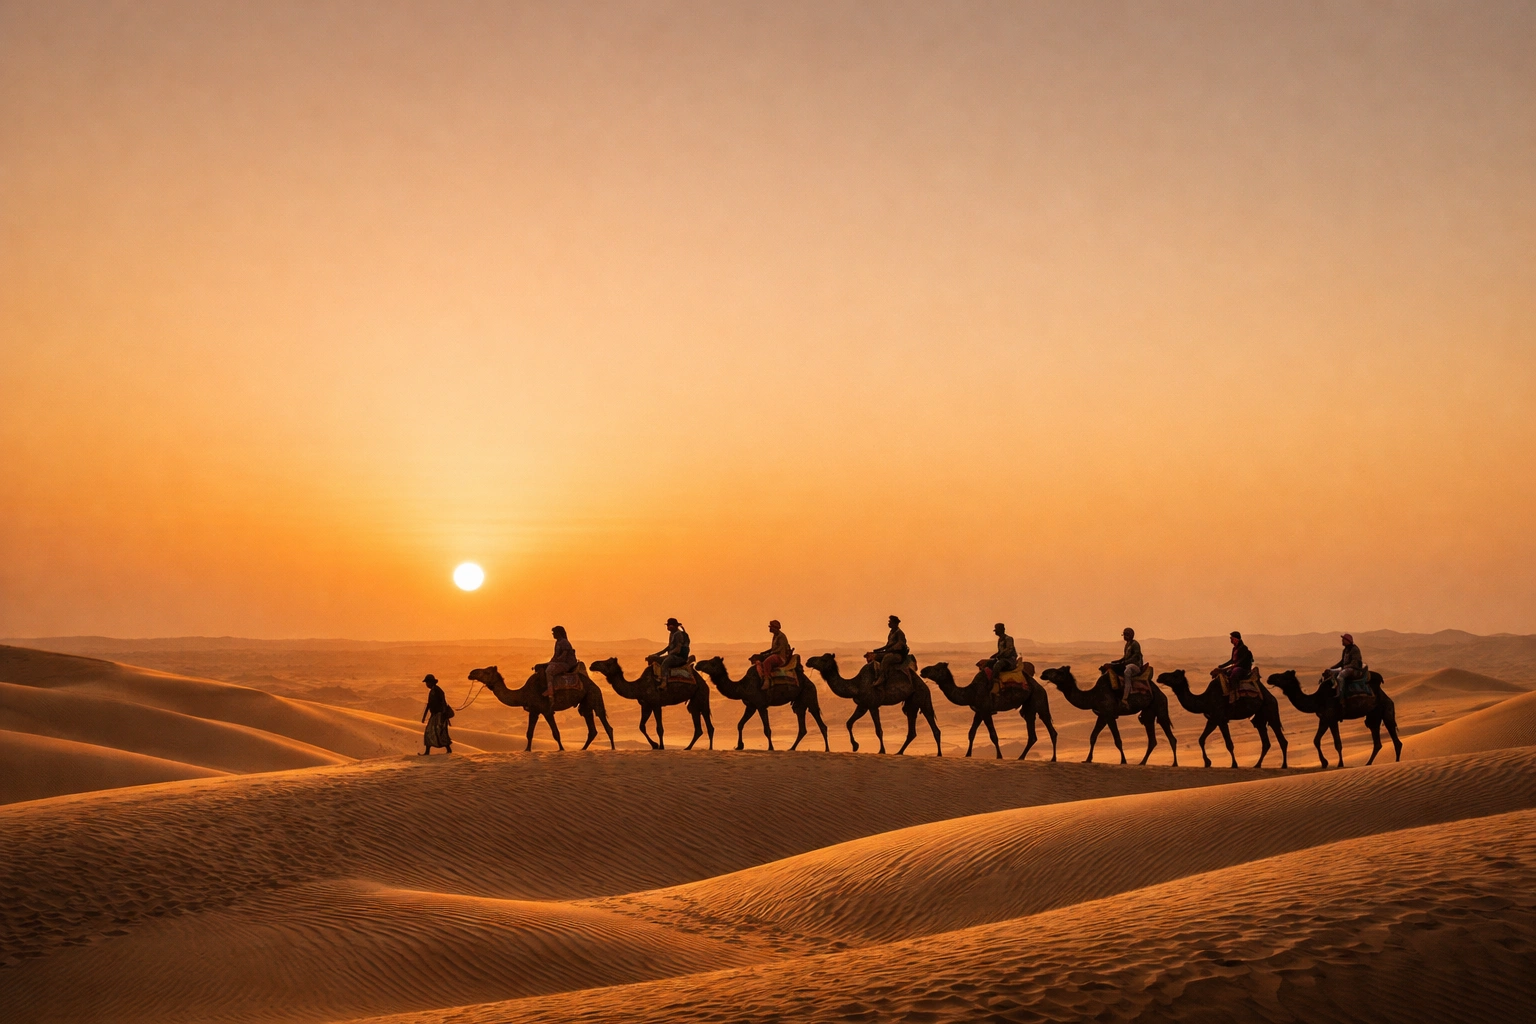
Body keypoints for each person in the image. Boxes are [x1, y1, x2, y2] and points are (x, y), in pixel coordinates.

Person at [1106, 627, 1145, 710]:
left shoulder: (1135, 644)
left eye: (1126, 635)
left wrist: (1123, 663)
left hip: (1135, 666)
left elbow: (1135, 657)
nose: (1124, 637)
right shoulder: (1127, 645)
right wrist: (1115, 663)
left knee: (1127, 671)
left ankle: (1125, 697)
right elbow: (1124, 658)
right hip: (1128, 664)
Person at [979, 623, 1019, 695]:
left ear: (1002, 630)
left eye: (996, 630)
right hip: (1002, 658)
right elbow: (1000, 652)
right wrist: (994, 656)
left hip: (1009, 660)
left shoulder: (1009, 639)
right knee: (987, 663)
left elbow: (1008, 651)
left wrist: (999, 656)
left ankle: (995, 685)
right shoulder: (1000, 640)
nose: (995, 632)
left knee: (997, 665)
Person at [1323, 633, 1365, 701]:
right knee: (1330, 672)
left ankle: (1340, 695)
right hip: (1346, 668)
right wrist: (1332, 668)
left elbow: (1354, 663)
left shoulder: (1354, 649)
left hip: (1354, 670)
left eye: (1343, 639)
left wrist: (1344, 668)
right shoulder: (1345, 650)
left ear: (1348, 641)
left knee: (1340, 676)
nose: (1342, 641)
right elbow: (1342, 662)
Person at [870, 615, 910, 687]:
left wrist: (888, 649)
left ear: (895, 623)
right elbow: (888, 645)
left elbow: (899, 645)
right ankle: (876, 675)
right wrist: (878, 650)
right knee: (874, 657)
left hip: (897, 655)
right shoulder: (891, 633)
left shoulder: (899, 633)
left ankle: (882, 677)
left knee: (886, 658)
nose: (889, 623)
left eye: (890, 622)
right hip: (890, 652)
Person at [1213, 631, 1254, 698]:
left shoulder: (1243, 648)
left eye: (1232, 638)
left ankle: (1234, 693)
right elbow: (1232, 660)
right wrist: (1221, 666)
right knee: (1222, 673)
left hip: (1243, 668)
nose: (1231, 640)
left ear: (1236, 639)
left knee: (1235, 672)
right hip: (1235, 666)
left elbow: (1240, 662)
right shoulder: (1234, 649)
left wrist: (1228, 667)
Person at [754, 620, 793, 688]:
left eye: (771, 627)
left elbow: (779, 649)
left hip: (780, 657)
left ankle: (767, 680)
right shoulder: (775, 636)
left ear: (775, 628)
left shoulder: (781, 636)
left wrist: (768, 654)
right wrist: (763, 653)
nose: (770, 628)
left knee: (767, 662)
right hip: (775, 654)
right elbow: (773, 649)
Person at [421, 674, 453, 755]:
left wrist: (443, 714)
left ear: (431, 682)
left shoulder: (437, 691)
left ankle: (448, 749)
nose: (427, 684)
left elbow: (443, 702)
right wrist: (424, 716)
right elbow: (430, 704)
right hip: (435, 715)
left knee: (438, 732)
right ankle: (428, 751)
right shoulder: (433, 691)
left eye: (427, 682)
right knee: (432, 732)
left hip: (439, 715)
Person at [545, 625, 578, 701]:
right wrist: (550, 662)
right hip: (561, 663)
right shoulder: (558, 642)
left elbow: (563, 657)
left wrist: (553, 662)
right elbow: (555, 656)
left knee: (548, 671)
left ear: (558, 633)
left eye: (554, 633)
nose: (553, 634)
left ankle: (550, 691)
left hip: (567, 664)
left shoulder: (564, 642)